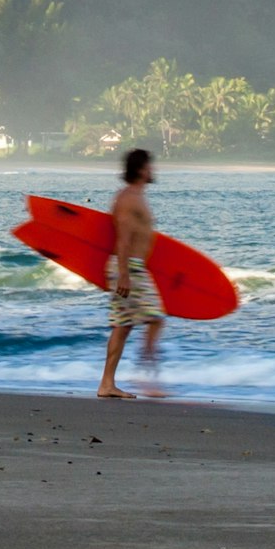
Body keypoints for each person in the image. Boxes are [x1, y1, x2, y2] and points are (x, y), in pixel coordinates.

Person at [98, 145, 162, 397]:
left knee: (123, 326)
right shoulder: (128, 199)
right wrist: (123, 273)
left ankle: (107, 384)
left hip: (130, 267)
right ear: (141, 169)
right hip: (130, 268)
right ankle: (145, 377)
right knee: (156, 318)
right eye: (149, 166)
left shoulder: (135, 197)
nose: (153, 170)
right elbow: (123, 239)